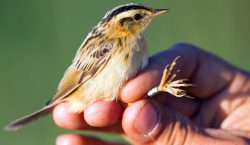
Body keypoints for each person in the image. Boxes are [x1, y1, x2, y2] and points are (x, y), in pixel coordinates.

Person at [53, 43, 250, 145]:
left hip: (120, 103)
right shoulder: (107, 46)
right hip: (84, 93)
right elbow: (77, 76)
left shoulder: (138, 45)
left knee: (131, 103)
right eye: (138, 17)